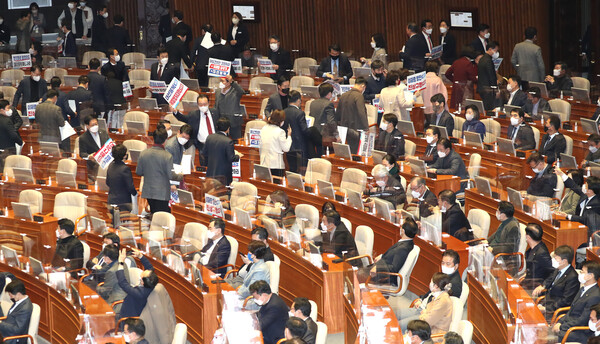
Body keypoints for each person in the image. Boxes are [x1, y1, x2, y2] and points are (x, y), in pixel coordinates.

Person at [136, 127, 182, 213]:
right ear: (165, 140)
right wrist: (181, 176)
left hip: (149, 192)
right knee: (162, 218)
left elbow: (139, 172)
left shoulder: (143, 153)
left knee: (154, 214)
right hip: (161, 193)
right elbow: (170, 175)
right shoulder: (167, 156)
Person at [553, 261, 600, 343]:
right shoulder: (583, 288)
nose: (580, 274)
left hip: (581, 330)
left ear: (591, 276)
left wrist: (562, 327)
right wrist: (560, 322)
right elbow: (571, 310)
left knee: (550, 336)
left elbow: (583, 320)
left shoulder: (595, 296)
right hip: (570, 324)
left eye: (582, 272)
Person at [533, 245, 579, 321]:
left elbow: (566, 300)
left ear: (564, 261)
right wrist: (543, 286)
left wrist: (546, 309)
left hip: (555, 311)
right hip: (546, 302)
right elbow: (550, 279)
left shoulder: (572, 277)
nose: (553, 260)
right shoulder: (558, 269)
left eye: (556, 258)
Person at [367, 217, 418, 285]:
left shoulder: (403, 249)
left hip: (384, 276)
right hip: (381, 267)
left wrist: (378, 268)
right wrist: (382, 256)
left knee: (356, 275)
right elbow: (394, 255)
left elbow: (394, 268)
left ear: (403, 231)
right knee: (356, 272)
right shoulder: (407, 243)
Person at [116, 248, 157, 319]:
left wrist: (121, 263)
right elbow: (150, 268)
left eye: (142, 274)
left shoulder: (140, 293)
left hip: (127, 318)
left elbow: (123, 283)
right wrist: (140, 256)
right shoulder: (152, 282)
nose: (143, 271)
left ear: (142, 282)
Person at [202, 117, 239, 185]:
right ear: (228, 129)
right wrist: (238, 156)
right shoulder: (228, 141)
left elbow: (204, 153)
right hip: (223, 176)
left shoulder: (209, 137)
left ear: (217, 127)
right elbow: (231, 158)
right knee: (222, 193)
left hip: (210, 173)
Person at [337, 77, 368, 153]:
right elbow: (361, 113)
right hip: (355, 128)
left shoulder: (343, 95)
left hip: (344, 128)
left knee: (346, 151)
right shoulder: (358, 96)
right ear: (363, 86)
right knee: (355, 151)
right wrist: (366, 127)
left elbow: (338, 113)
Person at [93, 245, 126, 314]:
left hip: (116, 301)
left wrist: (94, 288)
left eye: (104, 256)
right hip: (120, 295)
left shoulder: (112, 271)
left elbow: (106, 290)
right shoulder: (122, 264)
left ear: (107, 258)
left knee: (92, 307)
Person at [521, 223, 553, 290]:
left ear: (528, 237)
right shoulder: (533, 248)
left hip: (535, 286)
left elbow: (553, 272)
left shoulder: (542, 253)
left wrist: (543, 286)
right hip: (529, 281)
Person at [260, 110, 292, 177]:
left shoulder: (264, 128)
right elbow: (286, 148)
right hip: (276, 165)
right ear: (282, 121)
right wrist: (289, 136)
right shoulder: (280, 132)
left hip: (264, 163)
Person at [0, 279, 33, 344]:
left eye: (10, 294)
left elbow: (17, 330)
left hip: (12, 338)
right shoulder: (19, 301)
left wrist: (1, 323)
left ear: (18, 294)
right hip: (6, 331)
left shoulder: (25, 308)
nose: (10, 297)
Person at [106, 144, 137, 213]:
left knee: (113, 222)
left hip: (111, 200)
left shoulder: (110, 165)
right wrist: (135, 193)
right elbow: (130, 187)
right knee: (123, 223)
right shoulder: (125, 169)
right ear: (124, 156)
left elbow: (107, 182)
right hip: (123, 203)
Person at [284, 91, 310, 173]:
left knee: (291, 168)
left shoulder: (283, 111)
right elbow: (304, 130)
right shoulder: (300, 113)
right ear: (298, 100)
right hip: (299, 147)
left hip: (288, 145)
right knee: (301, 170)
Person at [214, 74, 245, 140]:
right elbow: (216, 105)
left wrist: (232, 82)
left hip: (234, 122)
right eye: (220, 81)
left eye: (222, 81)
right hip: (221, 122)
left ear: (228, 82)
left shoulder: (235, 91)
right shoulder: (218, 91)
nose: (221, 83)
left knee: (235, 141)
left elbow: (242, 91)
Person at [79, 115, 109, 179]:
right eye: (92, 125)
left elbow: (108, 143)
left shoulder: (103, 132)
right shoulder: (83, 138)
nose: (95, 126)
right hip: (94, 162)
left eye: (96, 124)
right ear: (87, 126)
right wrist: (89, 156)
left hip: (107, 158)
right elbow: (82, 153)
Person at [0, 100, 23, 171]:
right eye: (7, 108)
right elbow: (13, 135)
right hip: (8, 149)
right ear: (2, 110)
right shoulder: (7, 121)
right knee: (9, 171)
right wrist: (21, 142)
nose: (9, 110)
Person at [477, 41, 500, 111]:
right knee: (489, 110)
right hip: (488, 90)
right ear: (490, 49)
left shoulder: (482, 59)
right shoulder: (488, 61)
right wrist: (495, 90)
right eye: (496, 50)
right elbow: (491, 77)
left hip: (482, 88)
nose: (496, 52)